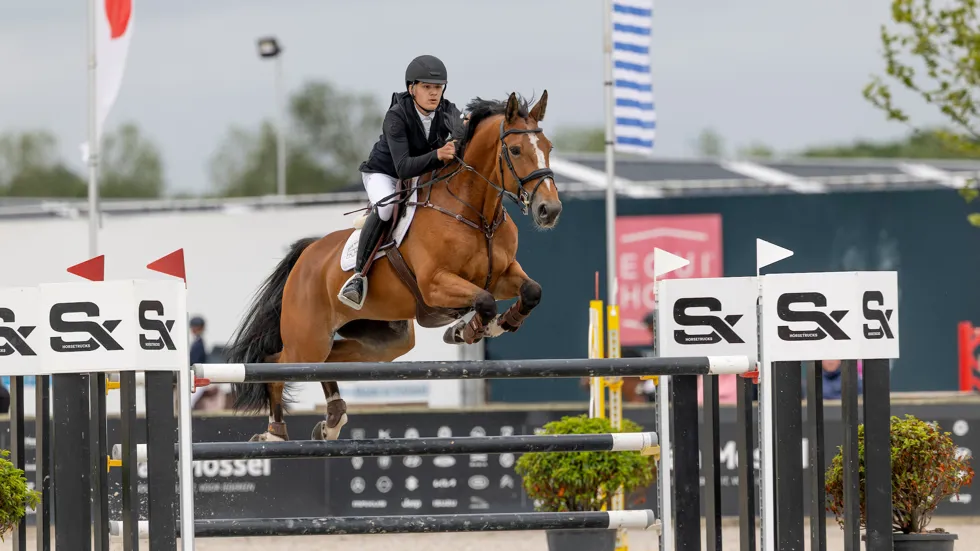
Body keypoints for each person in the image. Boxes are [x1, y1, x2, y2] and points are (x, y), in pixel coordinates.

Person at [338, 54, 467, 310]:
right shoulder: (396, 116)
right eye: (427, 87)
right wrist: (438, 154)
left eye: (438, 88)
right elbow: (403, 167)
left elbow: (462, 136)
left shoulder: (448, 111)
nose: (433, 94)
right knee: (387, 206)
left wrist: (468, 128)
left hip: (422, 173)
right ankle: (358, 276)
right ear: (412, 89)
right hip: (385, 173)